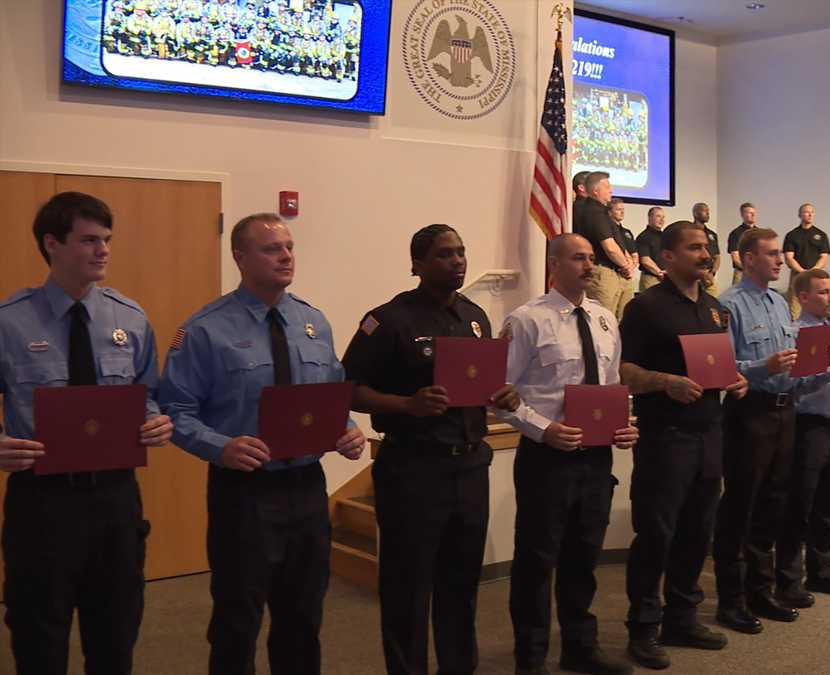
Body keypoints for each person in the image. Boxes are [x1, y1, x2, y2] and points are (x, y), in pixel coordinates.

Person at [159, 212, 366, 675]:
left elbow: (330, 394)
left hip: (307, 489)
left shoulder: (313, 321)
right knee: (238, 617)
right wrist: (220, 446)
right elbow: (174, 409)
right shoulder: (205, 329)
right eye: (272, 248)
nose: (286, 256)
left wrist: (346, 429)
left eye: (289, 247)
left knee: (303, 615)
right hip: (245, 492)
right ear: (239, 257)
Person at [0, 192, 174, 675]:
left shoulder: (130, 319)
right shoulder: (9, 322)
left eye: (107, 240)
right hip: (42, 501)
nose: (103, 251)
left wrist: (157, 420)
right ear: (51, 244)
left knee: (115, 630)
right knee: (39, 634)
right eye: (89, 240)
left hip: (114, 501)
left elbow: (149, 393)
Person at [338, 224, 520, 675]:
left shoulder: (476, 317)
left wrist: (504, 395)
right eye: (444, 254)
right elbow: (347, 389)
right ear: (417, 264)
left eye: (461, 252)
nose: (457, 260)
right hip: (413, 471)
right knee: (408, 589)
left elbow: (483, 383)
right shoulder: (387, 320)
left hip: (469, 466)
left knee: (461, 586)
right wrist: (406, 404)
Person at [499, 233, 638, 675]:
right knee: (537, 562)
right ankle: (531, 657)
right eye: (579, 258)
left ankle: (580, 647)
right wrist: (544, 431)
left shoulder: (603, 319)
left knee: (583, 558)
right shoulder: (525, 320)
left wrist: (625, 424)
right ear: (554, 264)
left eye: (592, 259)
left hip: (596, 458)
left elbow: (614, 386)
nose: (589, 266)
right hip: (547, 458)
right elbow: (498, 394)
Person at [619, 221, 748, 670]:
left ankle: (682, 617)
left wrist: (735, 380)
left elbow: (717, 368)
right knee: (657, 534)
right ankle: (643, 627)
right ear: (668, 256)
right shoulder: (646, 307)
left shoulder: (713, 309)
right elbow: (623, 370)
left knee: (697, 531)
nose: (705, 254)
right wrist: (664, 382)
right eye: (694, 248)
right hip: (665, 437)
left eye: (707, 248)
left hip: (710, 433)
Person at [713, 228, 800, 635]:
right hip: (750, 412)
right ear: (748, 259)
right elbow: (722, 368)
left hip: (785, 411)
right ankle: (731, 600)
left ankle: (761, 590)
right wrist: (764, 366)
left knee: (772, 503)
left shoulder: (780, 304)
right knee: (741, 506)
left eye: (780, 254)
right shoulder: (728, 305)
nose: (780, 261)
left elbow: (789, 360)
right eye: (771, 254)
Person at [778, 269, 830, 600]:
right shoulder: (794, 335)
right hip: (806, 425)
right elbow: (793, 384)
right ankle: (788, 578)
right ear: (803, 298)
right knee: (799, 504)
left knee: (828, 502)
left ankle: (822, 571)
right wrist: (828, 373)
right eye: (823, 292)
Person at [576, 172, 635, 316]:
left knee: (616, 321)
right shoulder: (594, 213)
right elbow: (610, 247)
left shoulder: (603, 213)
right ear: (596, 191)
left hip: (613, 272)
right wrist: (626, 266)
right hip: (602, 273)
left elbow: (617, 242)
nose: (611, 190)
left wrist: (627, 261)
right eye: (607, 186)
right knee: (602, 320)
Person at [783, 203, 830, 316]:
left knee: (817, 305)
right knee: (795, 308)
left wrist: (813, 271)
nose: (809, 214)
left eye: (812, 212)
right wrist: (802, 272)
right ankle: (796, 332)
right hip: (797, 275)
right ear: (800, 215)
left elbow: (824, 256)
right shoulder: (792, 235)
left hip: (816, 276)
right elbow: (789, 258)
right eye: (806, 212)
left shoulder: (821, 235)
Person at [610, 198, 638, 319]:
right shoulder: (608, 230)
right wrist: (624, 267)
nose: (622, 212)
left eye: (623, 210)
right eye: (618, 209)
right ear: (610, 212)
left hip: (628, 276)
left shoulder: (627, 232)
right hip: (614, 274)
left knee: (626, 314)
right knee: (610, 313)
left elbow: (635, 254)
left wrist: (631, 268)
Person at [692, 203, 721, 297]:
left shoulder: (712, 234)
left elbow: (717, 257)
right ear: (696, 214)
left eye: (708, 211)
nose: (708, 214)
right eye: (705, 211)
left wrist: (712, 273)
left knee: (715, 303)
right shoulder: (688, 232)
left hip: (709, 276)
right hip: (693, 277)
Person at [726, 202, 757, 288]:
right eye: (750, 213)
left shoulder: (759, 233)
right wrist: (748, 269)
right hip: (741, 272)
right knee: (738, 297)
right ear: (743, 215)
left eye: (754, 213)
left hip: (757, 273)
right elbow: (735, 258)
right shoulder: (735, 233)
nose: (753, 215)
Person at [636, 207, 667, 291]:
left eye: (663, 217)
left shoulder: (665, 236)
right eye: (658, 216)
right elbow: (645, 260)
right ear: (649, 217)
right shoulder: (644, 237)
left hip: (666, 279)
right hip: (651, 279)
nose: (661, 220)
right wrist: (660, 273)